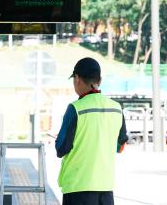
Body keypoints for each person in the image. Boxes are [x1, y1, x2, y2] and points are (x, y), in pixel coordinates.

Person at [55, 57, 128, 205]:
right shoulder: (116, 108)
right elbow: (120, 147)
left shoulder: (75, 109)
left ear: (77, 79)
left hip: (77, 189)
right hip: (106, 189)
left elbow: (61, 148)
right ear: (99, 80)